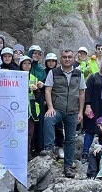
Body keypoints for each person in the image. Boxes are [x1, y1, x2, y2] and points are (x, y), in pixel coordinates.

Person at [40, 49, 86, 178]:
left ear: (73, 59)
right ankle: (49, 149)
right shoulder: (53, 73)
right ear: (61, 59)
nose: (67, 59)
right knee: (49, 119)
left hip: (72, 111)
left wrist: (80, 112)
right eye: (64, 57)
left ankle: (68, 167)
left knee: (70, 140)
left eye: (69, 57)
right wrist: (50, 107)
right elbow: (48, 90)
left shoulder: (79, 73)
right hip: (57, 109)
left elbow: (82, 93)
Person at [44, 52, 64, 158]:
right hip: (44, 102)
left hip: (57, 102)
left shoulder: (58, 73)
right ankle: (48, 147)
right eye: (49, 61)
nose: (51, 63)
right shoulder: (43, 73)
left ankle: (59, 146)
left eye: (53, 61)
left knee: (59, 126)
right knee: (46, 123)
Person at [27, 45, 47, 154]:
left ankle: (38, 146)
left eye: (38, 53)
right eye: (34, 53)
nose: (36, 55)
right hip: (27, 97)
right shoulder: (26, 65)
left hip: (38, 97)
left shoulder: (40, 69)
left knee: (38, 120)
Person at [20, 55, 41, 154]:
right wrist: (27, 89)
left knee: (30, 134)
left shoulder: (33, 78)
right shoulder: (16, 76)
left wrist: (37, 90)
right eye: (24, 63)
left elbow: (37, 96)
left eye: (29, 63)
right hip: (19, 109)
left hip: (31, 110)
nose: (27, 65)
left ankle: (27, 154)